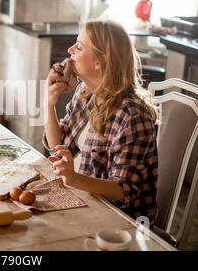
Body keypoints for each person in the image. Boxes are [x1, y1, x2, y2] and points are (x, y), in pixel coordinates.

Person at [43, 20, 158, 224]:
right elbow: (57, 145)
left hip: (118, 223)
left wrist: (75, 178)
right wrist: (49, 101)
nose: (70, 50)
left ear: (100, 61)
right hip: (82, 199)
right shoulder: (85, 93)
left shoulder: (132, 115)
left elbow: (124, 191)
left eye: (79, 47)